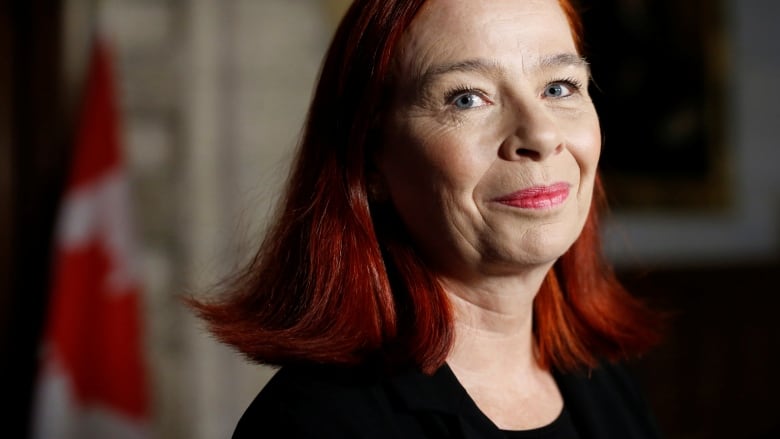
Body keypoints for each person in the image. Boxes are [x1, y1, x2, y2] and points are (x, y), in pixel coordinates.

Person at [189, 0, 663, 437]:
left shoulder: (605, 385)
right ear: (373, 158)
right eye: (466, 98)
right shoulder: (315, 423)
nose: (540, 133)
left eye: (559, 87)